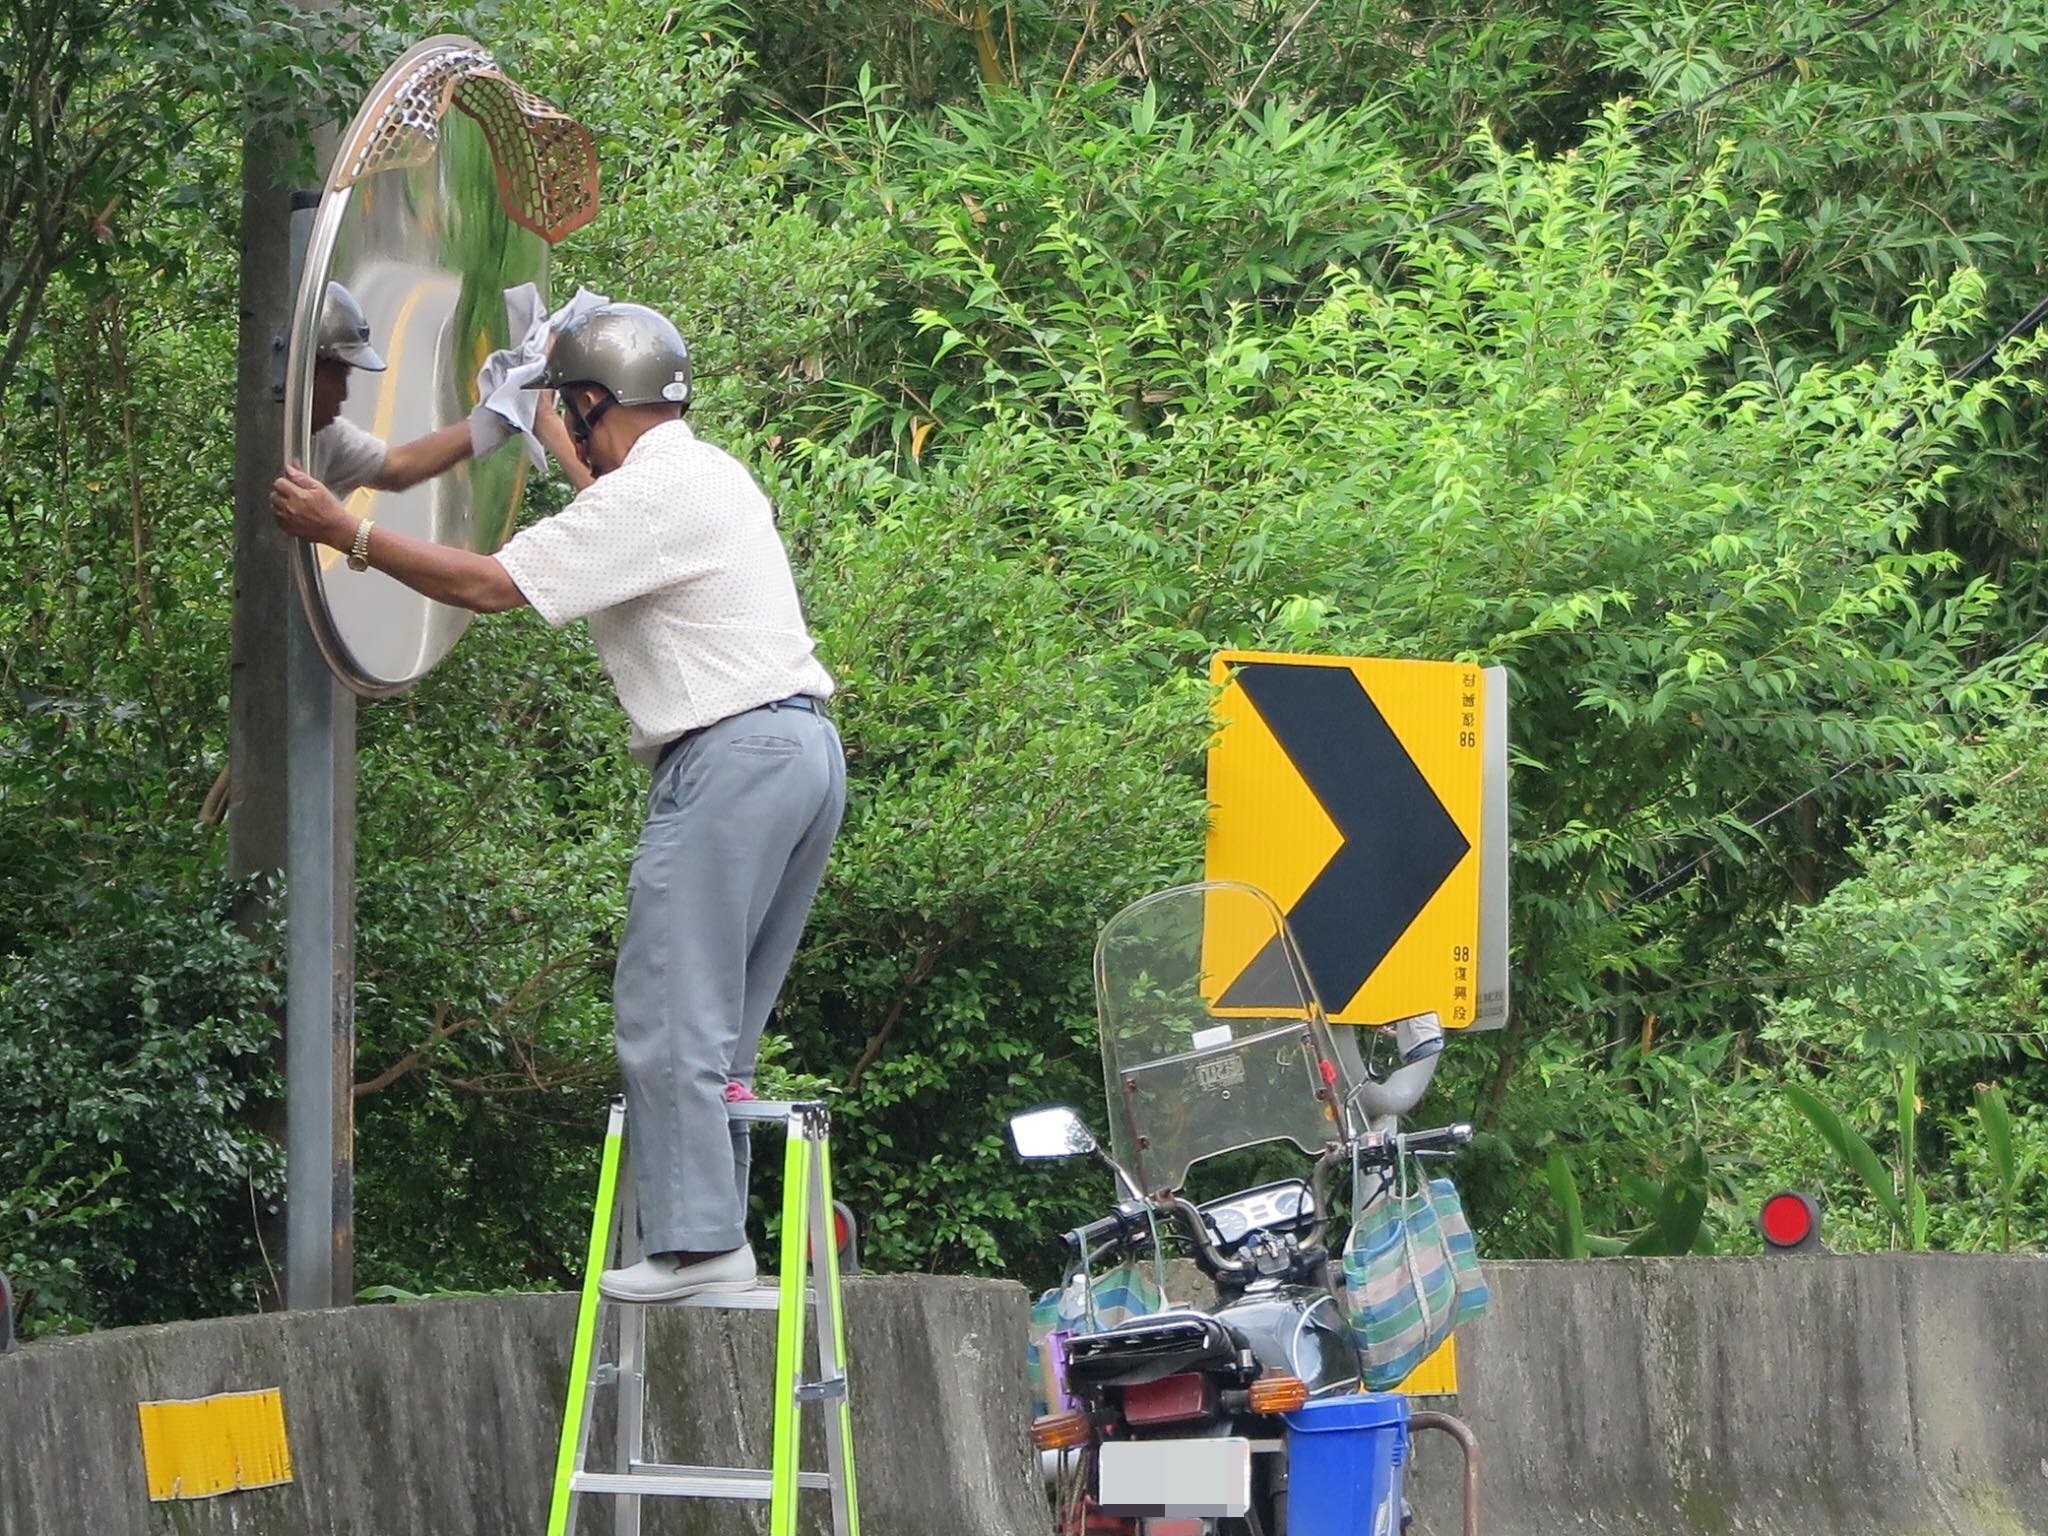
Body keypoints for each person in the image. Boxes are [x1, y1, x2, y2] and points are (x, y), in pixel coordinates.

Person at [271, 301, 846, 1304]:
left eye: (570, 412)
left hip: (730, 758)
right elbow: (600, 508)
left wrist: (346, 533)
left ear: (593, 402)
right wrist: (539, 418)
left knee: (665, 1009)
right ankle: (716, 1243)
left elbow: (493, 586)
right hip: (799, 753)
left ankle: (700, 1246)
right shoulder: (699, 474)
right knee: (717, 1034)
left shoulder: (650, 498)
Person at [308, 280, 479, 500]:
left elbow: (399, 466)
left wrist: (492, 421)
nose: (344, 394)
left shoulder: (327, 438)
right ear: (308, 365)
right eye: (338, 376)